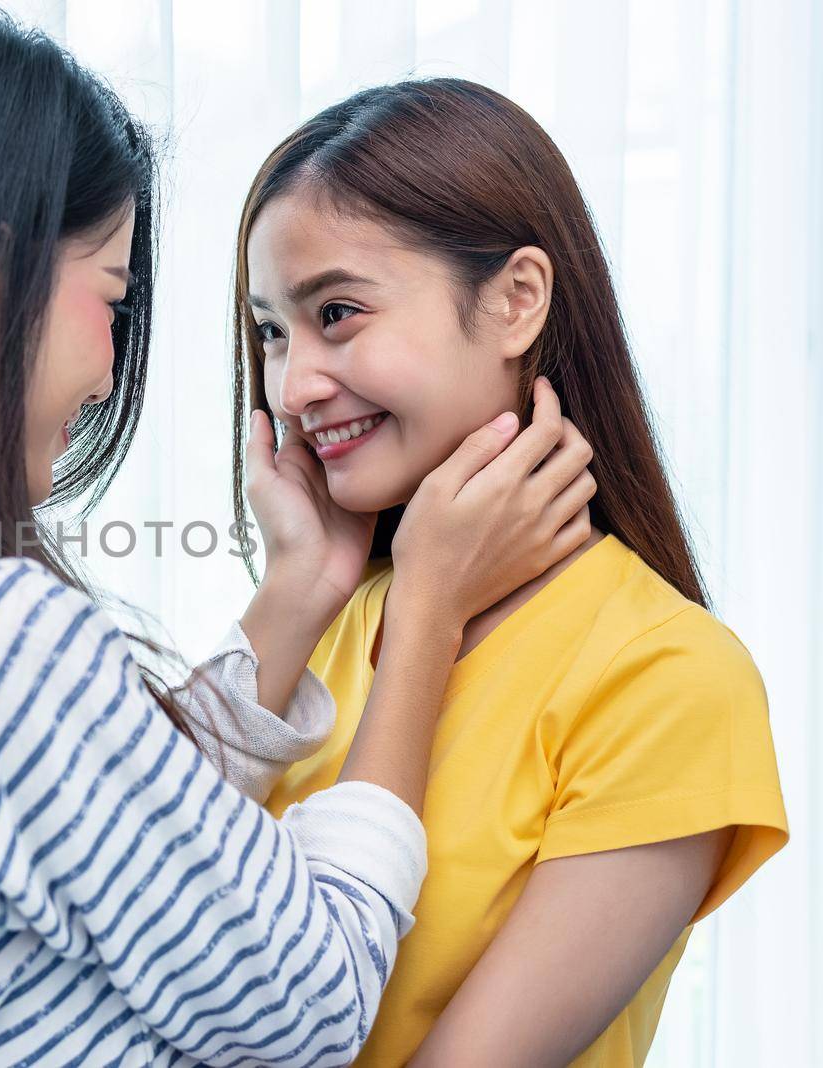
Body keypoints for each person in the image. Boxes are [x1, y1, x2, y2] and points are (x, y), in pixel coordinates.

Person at [0, 11, 592, 1066]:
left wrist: (301, 586)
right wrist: (427, 614)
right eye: (112, 302)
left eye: (337, 314)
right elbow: (311, 1001)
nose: (111, 367)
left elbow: (114, 840)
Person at [232, 78, 789, 1068]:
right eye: (273, 329)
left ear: (516, 299)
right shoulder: (331, 617)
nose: (291, 384)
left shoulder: (669, 681)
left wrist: (426, 609)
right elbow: (109, 905)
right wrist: (297, 589)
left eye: (340, 312)